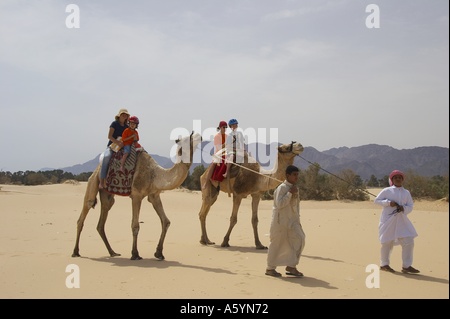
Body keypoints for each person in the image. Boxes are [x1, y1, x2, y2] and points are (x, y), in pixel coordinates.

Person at [374, 170, 420, 274]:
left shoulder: (406, 192)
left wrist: (403, 208)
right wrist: (388, 203)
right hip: (388, 220)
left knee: (409, 241)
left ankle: (406, 266)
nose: (398, 179)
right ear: (392, 180)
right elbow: (377, 200)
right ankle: (384, 264)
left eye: (400, 177)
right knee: (387, 242)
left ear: (402, 179)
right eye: (396, 177)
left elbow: (410, 206)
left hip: (402, 221)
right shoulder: (387, 190)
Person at [265, 165, 305, 277]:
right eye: (294, 175)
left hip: (292, 221)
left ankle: (291, 266)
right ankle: (270, 268)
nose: (297, 177)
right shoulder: (282, 188)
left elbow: (296, 206)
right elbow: (280, 204)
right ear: (288, 175)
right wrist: (290, 193)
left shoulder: (295, 188)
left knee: (300, 238)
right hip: (280, 221)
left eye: (297, 175)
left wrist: (297, 219)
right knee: (276, 244)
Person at [99, 108, 130, 188]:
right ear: (119, 115)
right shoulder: (114, 124)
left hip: (122, 147)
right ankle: (101, 182)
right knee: (106, 157)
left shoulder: (127, 127)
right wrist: (118, 142)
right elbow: (109, 136)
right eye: (123, 114)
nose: (124, 116)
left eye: (125, 115)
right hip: (112, 146)